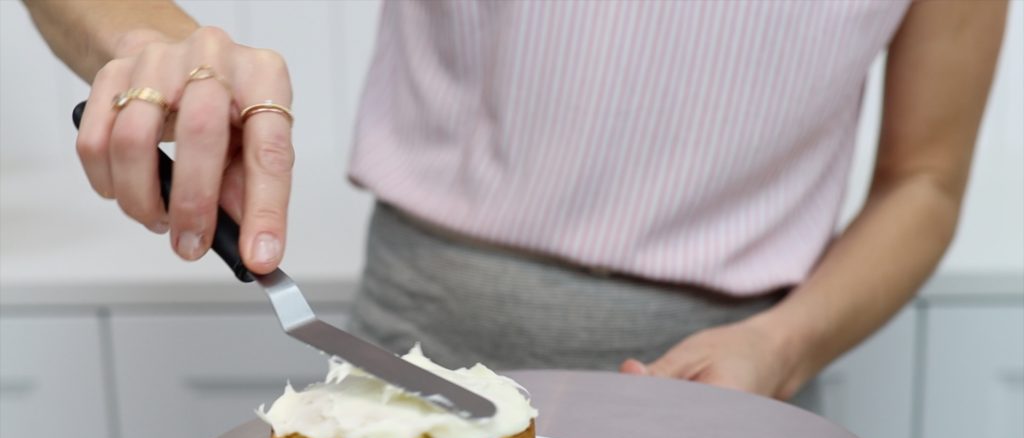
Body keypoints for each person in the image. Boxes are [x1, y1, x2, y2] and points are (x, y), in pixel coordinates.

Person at [25, 0, 1006, 400]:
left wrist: (783, 347)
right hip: (417, 351)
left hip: (734, 389)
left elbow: (924, 180)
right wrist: (156, 50)